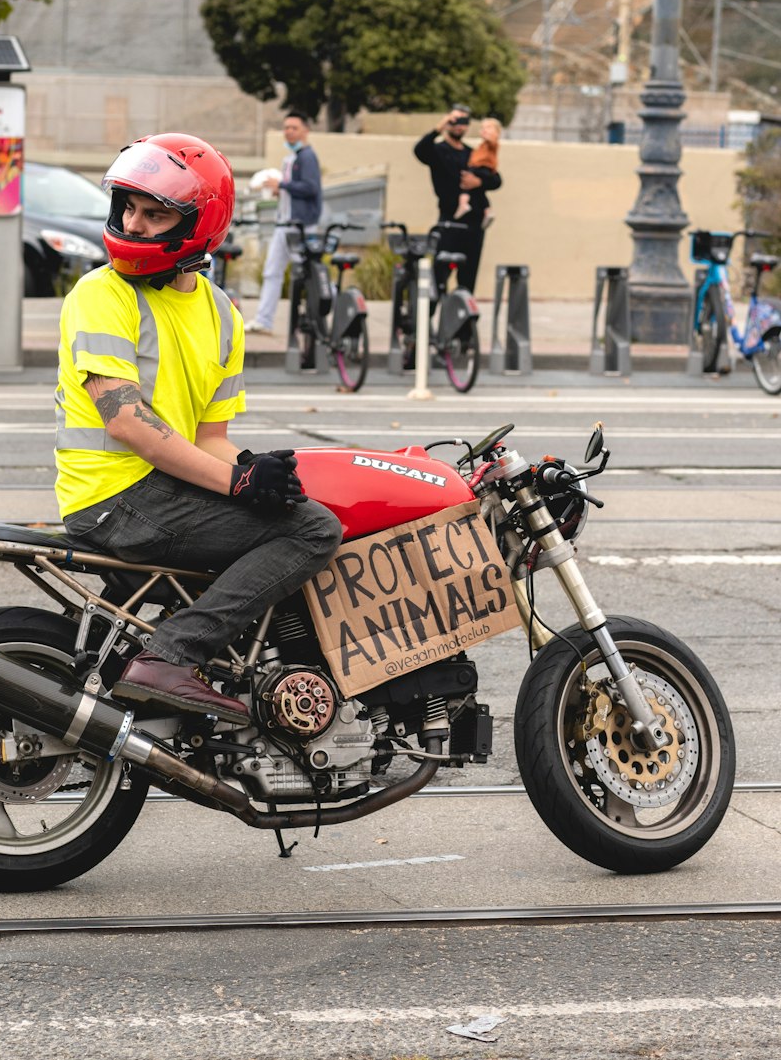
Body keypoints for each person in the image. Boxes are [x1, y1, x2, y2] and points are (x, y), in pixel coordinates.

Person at [54, 131, 342, 721]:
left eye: (154, 214)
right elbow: (127, 422)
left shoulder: (223, 315)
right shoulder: (101, 294)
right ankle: (170, 657)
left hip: (161, 492)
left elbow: (212, 437)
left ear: (198, 226)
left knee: (296, 504)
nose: (133, 224)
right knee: (313, 531)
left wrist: (254, 474)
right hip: (115, 494)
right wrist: (238, 486)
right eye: (128, 207)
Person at [413, 106, 503, 293]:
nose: (459, 126)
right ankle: (427, 317)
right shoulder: (438, 151)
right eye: (455, 121)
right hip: (450, 220)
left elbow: (496, 179)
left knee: (468, 277)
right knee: (439, 276)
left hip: (474, 222)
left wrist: (479, 181)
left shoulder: (473, 154)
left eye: (463, 122)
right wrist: (440, 127)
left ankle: (464, 319)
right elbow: (420, 151)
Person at [248, 110, 323, 333]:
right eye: (286, 127)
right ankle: (264, 320)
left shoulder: (306, 157)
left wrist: (282, 185)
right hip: (285, 224)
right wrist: (281, 192)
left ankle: (320, 314)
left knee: (308, 273)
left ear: (305, 131)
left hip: (299, 226)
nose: (289, 132)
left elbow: (311, 188)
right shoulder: (291, 158)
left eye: (294, 127)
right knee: (272, 272)